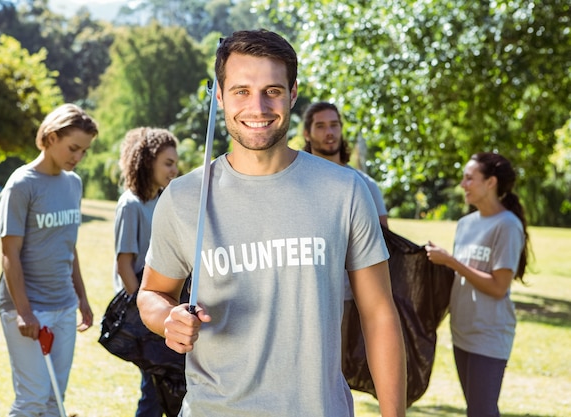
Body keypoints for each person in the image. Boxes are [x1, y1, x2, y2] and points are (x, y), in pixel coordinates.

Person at [137, 29, 406, 417]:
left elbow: (379, 312)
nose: (258, 107)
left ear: (293, 93)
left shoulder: (344, 190)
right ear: (220, 96)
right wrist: (168, 319)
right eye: (241, 91)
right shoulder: (184, 197)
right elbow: (152, 293)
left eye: (272, 91)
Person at [0, 103, 98, 416]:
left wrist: (81, 298)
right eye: (73, 148)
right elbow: (9, 253)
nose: (77, 157)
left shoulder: (73, 184)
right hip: (28, 310)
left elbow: (69, 245)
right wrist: (25, 313)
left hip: (64, 306)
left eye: (83, 151)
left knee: (55, 398)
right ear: (51, 137)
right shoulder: (21, 185)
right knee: (32, 399)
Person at [425, 152, 530, 417]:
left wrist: (451, 261)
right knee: (475, 410)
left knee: (482, 411)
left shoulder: (507, 225)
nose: (463, 185)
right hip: (462, 330)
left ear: (491, 182)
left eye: (469, 178)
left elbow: (498, 287)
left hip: (489, 334)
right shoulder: (465, 224)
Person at [113, 127, 181, 416]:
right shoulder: (131, 205)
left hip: (164, 304)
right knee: (152, 390)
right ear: (147, 161)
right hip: (143, 307)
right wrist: (141, 314)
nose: (174, 170)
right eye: (168, 163)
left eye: (176, 163)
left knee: (168, 386)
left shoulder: (164, 200)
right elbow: (124, 264)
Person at [302, 101, 389, 228]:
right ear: (307, 134)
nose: (329, 132)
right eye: (320, 126)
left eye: (334, 125)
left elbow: (386, 242)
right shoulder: (297, 182)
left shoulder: (365, 185)